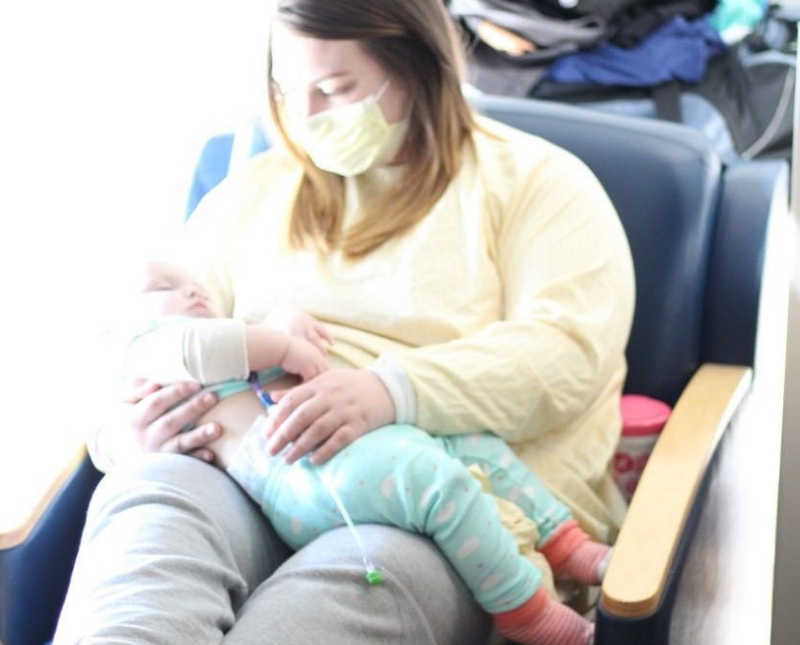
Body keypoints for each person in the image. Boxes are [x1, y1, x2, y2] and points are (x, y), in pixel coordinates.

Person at [54, 1, 635, 644]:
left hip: (443, 506)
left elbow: (570, 352)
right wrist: (124, 433)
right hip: (249, 477)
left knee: (358, 580)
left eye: (333, 89)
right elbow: (139, 330)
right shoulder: (252, 195)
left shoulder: (538, 185)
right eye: (286, 89)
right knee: (153, 501)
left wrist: (393, 392)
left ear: (417, 69)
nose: (302, 118)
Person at [122, 258, 614, 644]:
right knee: (433, 482)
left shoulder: (227, 338)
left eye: (192, 283)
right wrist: (129, 442)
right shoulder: (150, 347)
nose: (193, 289)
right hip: (301, 475)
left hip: (366, 438)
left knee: (476, 448)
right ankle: (525, 612)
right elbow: (203, 349)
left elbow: (241, 347)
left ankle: (566, 543)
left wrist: (287, 327)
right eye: (163, 288)